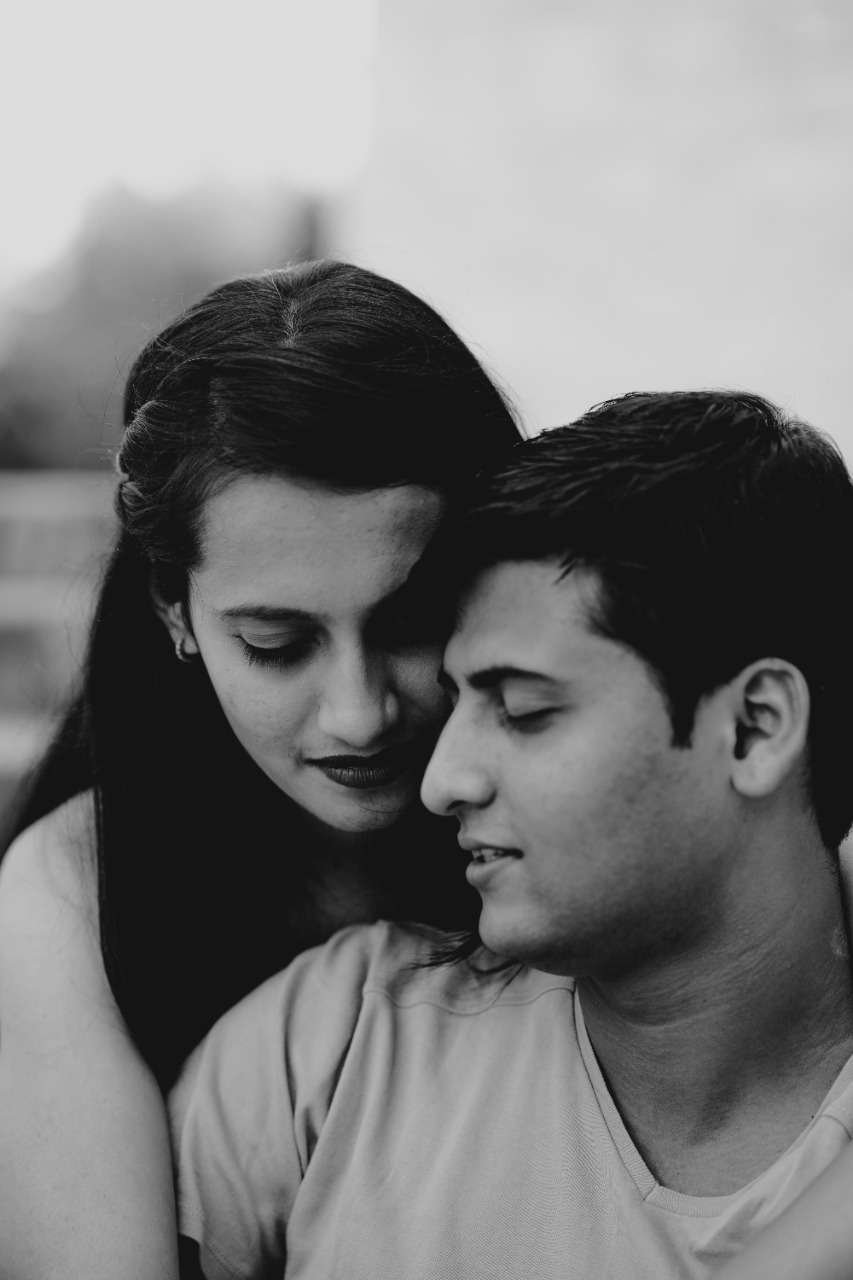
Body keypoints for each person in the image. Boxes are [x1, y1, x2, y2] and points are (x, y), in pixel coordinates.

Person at [170, 390, 853, 1279]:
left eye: (524, 711)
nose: (441, 781)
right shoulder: (329, 1046)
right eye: (455, 703)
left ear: (754, 728)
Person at [0, 259, 521, 1280]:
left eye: (413, 621)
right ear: (174, 609)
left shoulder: (585, 818)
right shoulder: (71, 897)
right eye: (278, 644)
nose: (359, 711)